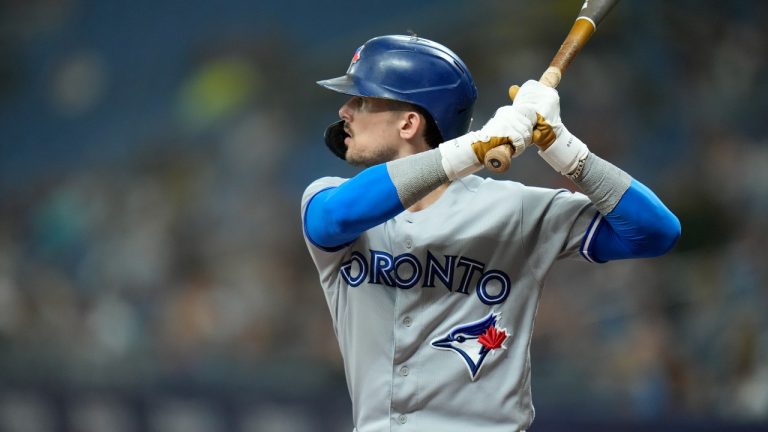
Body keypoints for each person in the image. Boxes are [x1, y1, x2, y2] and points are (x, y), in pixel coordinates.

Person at [300, 35, 680, 432]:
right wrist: (473, 147)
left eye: (361, 100)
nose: (344, 110)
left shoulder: (515, 208)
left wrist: (567, 151)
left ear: (409, 123)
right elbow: (336, 218)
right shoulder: (329, 198)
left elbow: (655, 233)